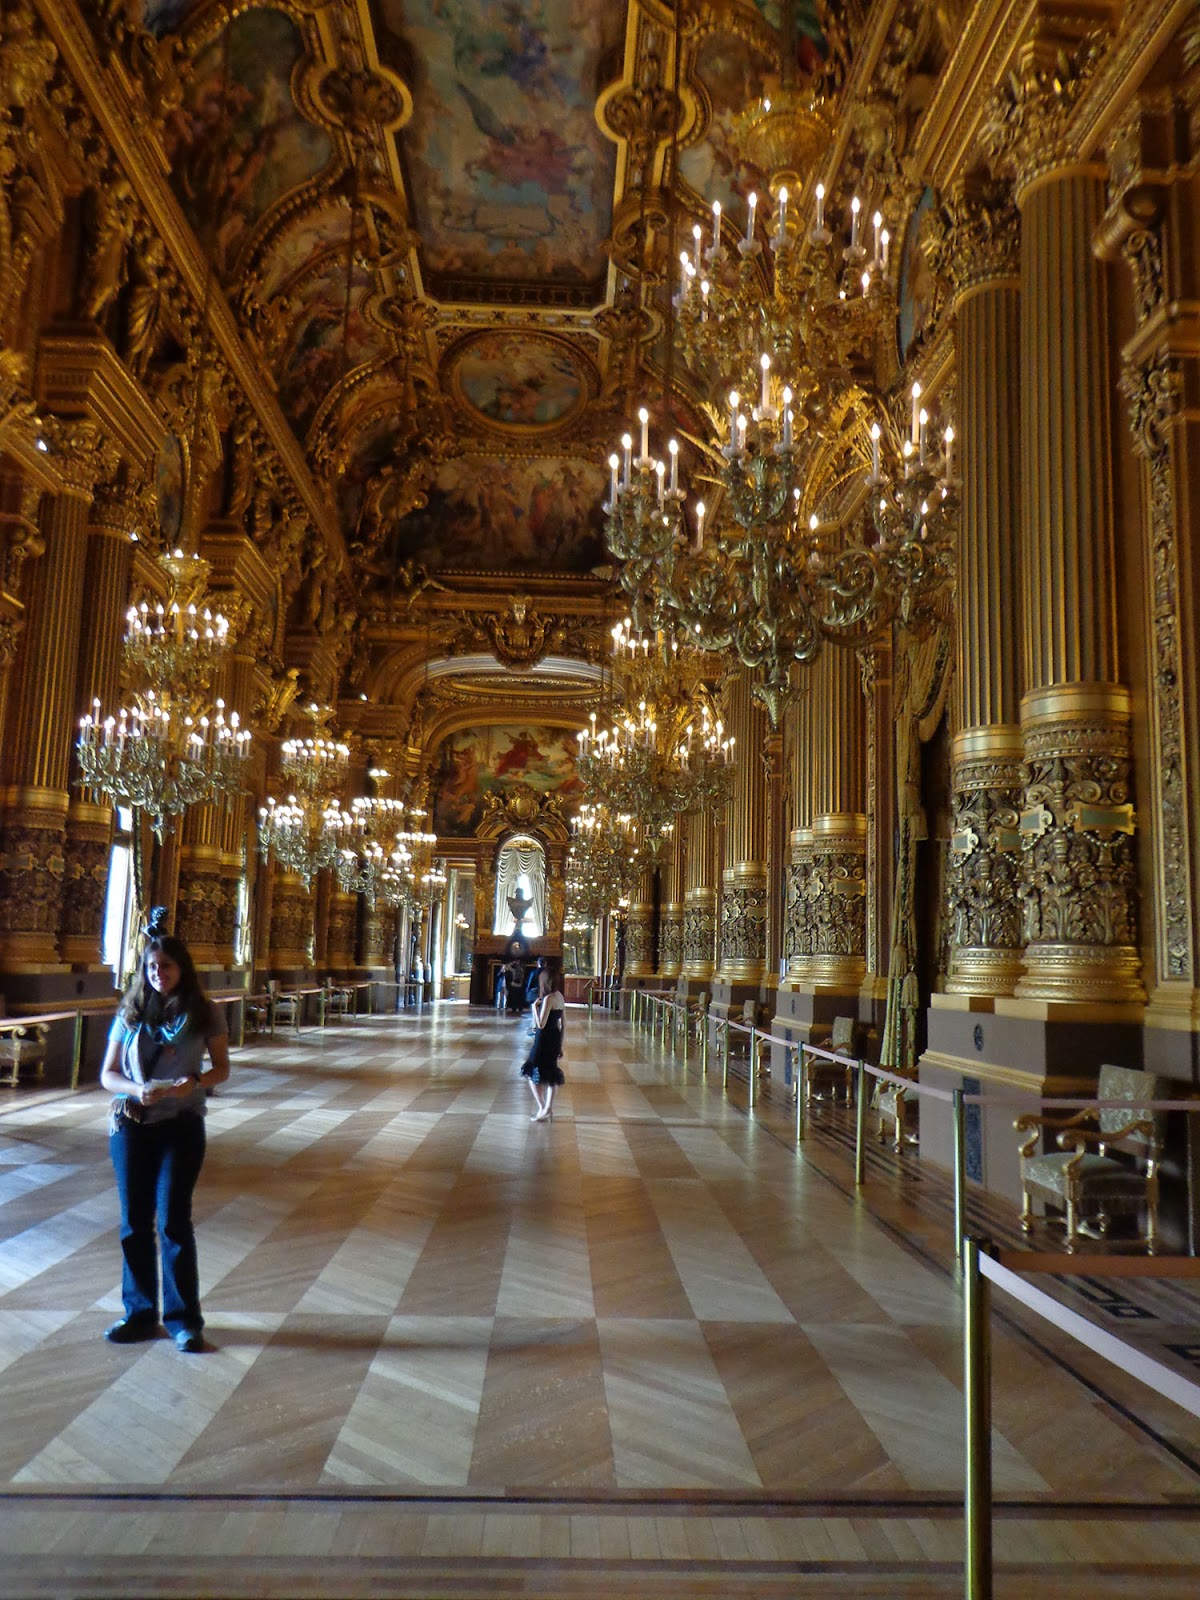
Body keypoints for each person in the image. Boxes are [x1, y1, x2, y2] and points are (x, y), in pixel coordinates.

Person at [98, 909, 230, 1352]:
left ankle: (183, 1319)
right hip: (132, 1125)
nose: (158, 974)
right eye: (152, 967)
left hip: (182, 1125)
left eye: (166, 967)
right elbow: (108, 1075)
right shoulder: (131, 1011)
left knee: (174, 1219)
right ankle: (138, 1314)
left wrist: (194, 1083)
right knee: (134, 1222)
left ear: (182, 969)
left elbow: (222, 1070)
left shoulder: (205, 1012)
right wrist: (137, 1089)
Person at [520, 965, 565, 1122]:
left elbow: (540, 1024)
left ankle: (542, 1107)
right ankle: (547, 1108)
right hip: (554, 1038)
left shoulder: (548, 999)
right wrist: (560, 1044)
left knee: (532, 1071)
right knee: (551, 1073)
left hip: (543, 1040)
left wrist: (534, 1008)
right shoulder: (560, 997)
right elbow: (563, 1024)